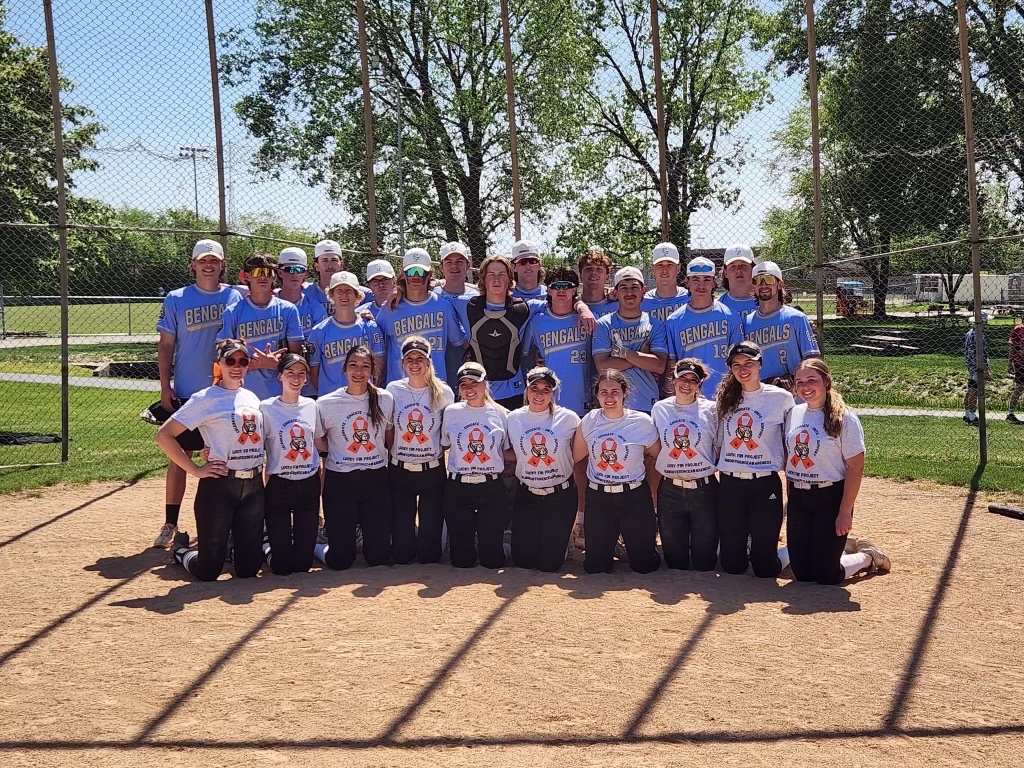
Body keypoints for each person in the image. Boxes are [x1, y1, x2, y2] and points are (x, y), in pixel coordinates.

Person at [153, 238, 241, 548]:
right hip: (189, 389)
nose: (208, 265)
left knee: (226, 456)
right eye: (202, 260)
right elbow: (166, 345)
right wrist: (166, 386)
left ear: (222, 265)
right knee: (180, 458)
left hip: (226, 391)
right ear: (193, 264)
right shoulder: (177, 298)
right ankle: (170, 524)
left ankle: (226, 525)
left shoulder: (236, 296)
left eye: (214, 260)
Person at [157, 339, 265, 581]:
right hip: (219, 487)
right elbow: (164, 435)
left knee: (248, 570)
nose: (236, 366)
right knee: (208, 572)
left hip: (253, 487)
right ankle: (181, 550)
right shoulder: (205, 398)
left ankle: (225, 545)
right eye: (230, 361)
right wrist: (195, 469)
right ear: (219, 364)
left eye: (243, 361)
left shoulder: (252, 397)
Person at [784, 358, 891, 584]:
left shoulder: (845, 418)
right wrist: (791, 494)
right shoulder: (794, 413)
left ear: (826, 381)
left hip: (830, 498)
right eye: (799, 381)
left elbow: (856, 466)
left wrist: (845, 511)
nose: (805, 386)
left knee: (826, 575)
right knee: (802, 574)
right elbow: (791, 460)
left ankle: (867, 556)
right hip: (800, 498)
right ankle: (840, 546)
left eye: (811, 380)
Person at [715, 341, 794, 578]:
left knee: (765, 569)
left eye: (748, 363)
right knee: (732, 566)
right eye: (736, 365)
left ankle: (795, 548)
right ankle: (744, 544)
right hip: (731, 484)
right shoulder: (724, 399)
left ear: (760, 364)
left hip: (764, 483)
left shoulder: (780, 398)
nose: (742, 369)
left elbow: (789, 442)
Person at [314, 345, 394, 570]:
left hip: (376, 480)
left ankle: (361, 536)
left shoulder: (385, 399)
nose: (358, 371)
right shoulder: (326, 403)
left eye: (365, 366)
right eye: (353, 365)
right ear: (344, 369)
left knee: (378, 557)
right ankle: (315, 546)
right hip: (341, 481)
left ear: (372, 371)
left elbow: (389, 438)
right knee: (341, 561)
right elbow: (320, 441)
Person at [574, 370, 661, 574]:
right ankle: (610, 541)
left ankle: (635, 540)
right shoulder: (589, 421)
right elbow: (576, 458)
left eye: (615, 391)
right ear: (596, 395)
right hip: (599, 499)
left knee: (644, 566)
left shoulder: (642, 422)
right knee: (596, 567)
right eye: (603, 392)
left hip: (634, 498)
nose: (609, 397)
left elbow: (658, 456)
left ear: (625, 393)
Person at [386, 336, 455, 564]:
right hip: (400, 470)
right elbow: (389, 429)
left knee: (430, 556)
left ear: (429, 362)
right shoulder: (393, 390)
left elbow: (446, 436)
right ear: (403, 362)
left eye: (420, 358)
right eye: (409, 359)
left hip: (431, 471)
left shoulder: (444, 392)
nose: (415, 363)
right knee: (402, 555)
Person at [507, 368, 581, 571]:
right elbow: (508, 451)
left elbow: (580, 451)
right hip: (527, 494)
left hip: (560, 494)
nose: (539, 394)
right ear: (526, 390)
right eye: (534, 388)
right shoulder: (513, 419)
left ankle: (564, 541)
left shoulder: (569, 418)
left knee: (550, 564)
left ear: (554, 392)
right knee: (523, 562)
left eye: (546, 389)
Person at [440, 362, 511, 569]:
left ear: (485, 384)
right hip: (458, 488)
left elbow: (507, 451)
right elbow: (444, 444)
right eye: (463, 384)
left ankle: (504, 545)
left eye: (475, 383)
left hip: (490, 488)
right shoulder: (451, 412)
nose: (469, 389)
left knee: (492, 561)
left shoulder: (501, 414)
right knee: (462, 561)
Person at [651, 359, 720, 571]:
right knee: (676, 562)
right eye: (682, 378)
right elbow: (655, 445)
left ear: (699, 385)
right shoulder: (660, 408)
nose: (687, 384)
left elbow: (719, 446)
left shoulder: (712, 410)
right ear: (673, 379)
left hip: (704, 489)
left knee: (704, 563)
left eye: (693, 380)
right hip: (671, 490)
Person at [259, 353, 321, 575]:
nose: (296, 378)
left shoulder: (313, 406)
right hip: (280, 485)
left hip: (308, 484)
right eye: (290, 373)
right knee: (282, 567)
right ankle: (266, 548)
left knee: (303, 566)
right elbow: (254, 444)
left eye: (301, 374)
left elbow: (320, 443)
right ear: (280, 376)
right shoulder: (266, 408)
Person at [217, 252, 305, 400]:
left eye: (267, 272)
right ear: (247, 277)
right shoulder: (233, 312)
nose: (262, 277)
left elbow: (296, 353)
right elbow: (222, 353)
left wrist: (276, 364)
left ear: (274, 276)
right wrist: (252, 363)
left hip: (280, 392)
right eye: (257, 272)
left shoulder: (287, 309)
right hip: (242, 391)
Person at [375, 247, 468, 385]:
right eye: (411, 271)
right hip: (400, 388)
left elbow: (460, 342)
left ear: (429, 274)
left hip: (435, 385)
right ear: (404, 274)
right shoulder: (390, 308)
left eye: (421, 271)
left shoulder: (443, 306)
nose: (416, 276)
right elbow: (374, 343)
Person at [653, 255, 743, 397]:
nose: (701, 286)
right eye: (695, 280)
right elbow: (672, 363)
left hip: (724, 394)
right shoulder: (674, 320)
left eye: (706, 280)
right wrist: (673, 398)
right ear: (687, 282)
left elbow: (738, 360)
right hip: (689, 395)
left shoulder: (730, 316)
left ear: (714, 283)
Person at [593, 266, 666, 414]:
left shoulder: (655, 324)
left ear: (643, 291)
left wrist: (624, 353)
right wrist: (639, 355)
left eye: (634, 287)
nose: (629, 292)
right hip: (613, 405)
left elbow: (659, 365)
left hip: (647, 403)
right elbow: (602, 367)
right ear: (615, 293)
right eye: (624, 288)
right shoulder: (604, 324)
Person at [464, 255, 532, 410]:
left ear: (509, 279)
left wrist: (580, 306)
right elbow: (441, 292)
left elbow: (558, 303)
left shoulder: (523, 308)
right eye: (491, 275)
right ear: (483, 279)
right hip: (480, 389)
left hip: (513, 390)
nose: (496, 279)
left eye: (502, 274)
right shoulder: (469, 305)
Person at [742, 260, 820, 388]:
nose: (763, 285)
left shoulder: (796, 318)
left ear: (780, 284)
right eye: (758, 280)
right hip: (762, 393)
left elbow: (812, 359)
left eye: (769, 279)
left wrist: (795, 379)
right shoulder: (747, 323)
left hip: (794, 394)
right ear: (753, 286)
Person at [525, 266, 590, 415]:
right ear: (548, 290)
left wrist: (581, 306)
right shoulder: (536, 320)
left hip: (582, 398)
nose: (561, 290)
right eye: (556, 286)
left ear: (574, 290)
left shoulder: (587, 317)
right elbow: (526, 353)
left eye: (566, 286)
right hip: (549, 399)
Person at [307, 271, 385, 395]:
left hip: (364, 397)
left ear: (357, 295)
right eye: (339, 291)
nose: (344, 295)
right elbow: (313, 372)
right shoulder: (319, 331)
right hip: (331, 400)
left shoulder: (370, 327)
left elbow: (379, 366)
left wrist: (369, 392)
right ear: (331, 295)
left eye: (349, 290)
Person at [276, 246, 327, 398]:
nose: (294, 274)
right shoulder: (270, 304)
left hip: (307, 383)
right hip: (274, 381)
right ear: (279, 272)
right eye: (288, 269)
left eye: (299, 270)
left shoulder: (315, 308)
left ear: (305, 274)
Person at [434, 241, 480, 389]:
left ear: (468, 265)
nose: (454, 266)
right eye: (449, 262)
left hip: (473, 360)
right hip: (443, 362)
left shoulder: (478, 296)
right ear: (441, 267)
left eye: (459, 262)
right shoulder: (432, 296)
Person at [641, 242, 689, 324]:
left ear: (678, 268)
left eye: (670, 265)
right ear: (652, 269)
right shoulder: (643, 301)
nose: (664, 270)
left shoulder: (689, 298)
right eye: (660, 265)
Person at [964, 312, 991, 426]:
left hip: (971, 365)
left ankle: (967, 414)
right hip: (977, 367)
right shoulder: (978, 335)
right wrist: (984, 368)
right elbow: (979, 353)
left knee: (971, 388)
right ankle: (972, 415)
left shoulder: (970, 333)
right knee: (975, 390)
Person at [305, 239, 346, 314]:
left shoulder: (359, 293)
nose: (330, 265)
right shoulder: (304, 292)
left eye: (334, 260)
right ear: (316, 266)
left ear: (341, 265)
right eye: (324, 261)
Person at [718, 242, 758, 315]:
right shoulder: (718, 307)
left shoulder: (766, 303)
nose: (739, 270)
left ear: (753, 270)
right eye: (733, 266)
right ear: (725, 273)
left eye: (743, 265)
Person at [578, 246, 617, 316]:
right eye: (588, 269)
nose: (593, 273)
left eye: (599, 269)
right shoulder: (572, 306)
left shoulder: (620, 304)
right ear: (580, 276)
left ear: (607, 277)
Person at [1008, 318, 1024, 424]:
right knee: (1019, 388)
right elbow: (1013, 347)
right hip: (1021, 363)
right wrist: (1010, 362)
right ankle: (1011, 413)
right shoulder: (1018, 329)